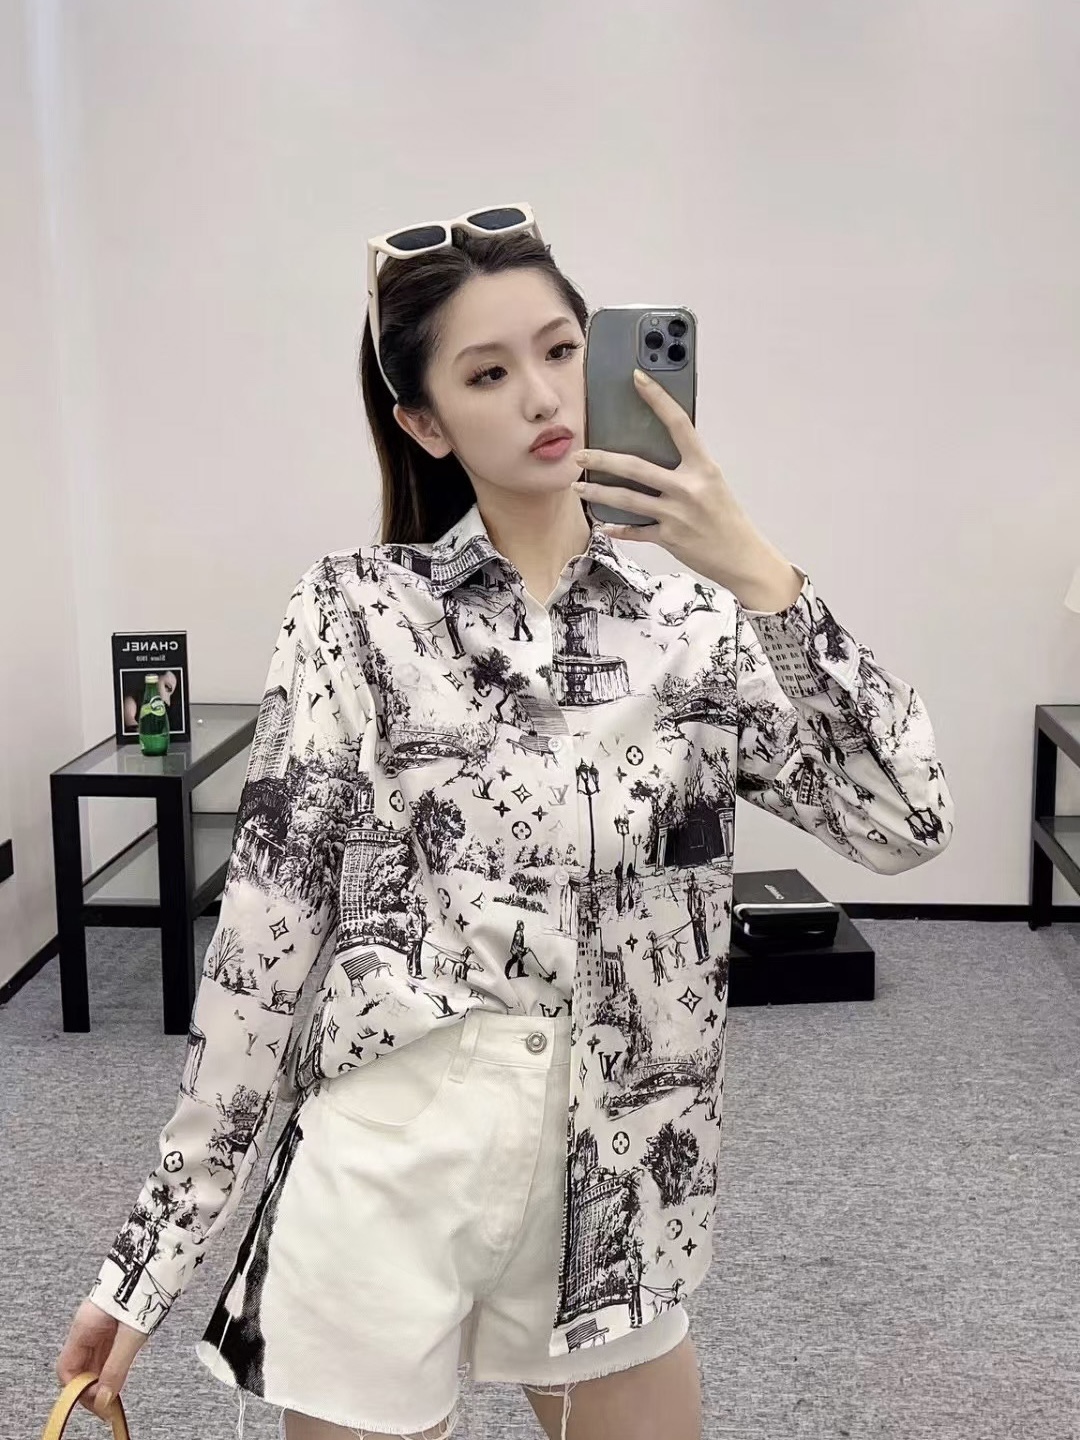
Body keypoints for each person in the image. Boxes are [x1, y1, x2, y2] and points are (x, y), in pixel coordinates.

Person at [57, 204, 955, 1440]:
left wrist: (758, 570)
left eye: (561, 350)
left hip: (618, 1171)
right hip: (389, 1158)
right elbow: (265, 942)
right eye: (487, 373)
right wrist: (148, 1262)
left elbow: (907, 819)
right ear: (425, 423)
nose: (543, 394)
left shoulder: (697, 629)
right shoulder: (358, 613)